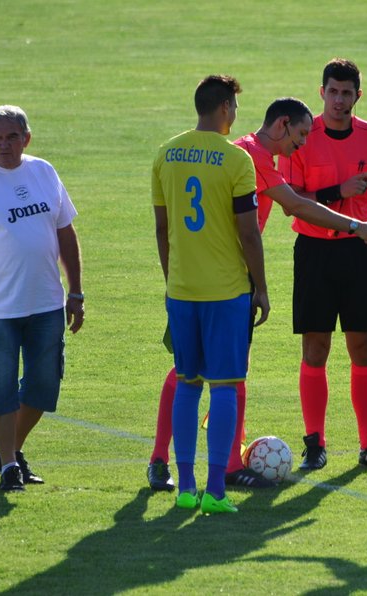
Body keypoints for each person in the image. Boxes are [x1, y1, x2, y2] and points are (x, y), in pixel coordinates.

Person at [146, 98, 367, 491]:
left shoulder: (237, 151)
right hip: (227, 280)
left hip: (190, 276)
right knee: (219, 371)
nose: (303, 143)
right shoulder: (253, 157)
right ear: (282, 125)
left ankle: (168, 460)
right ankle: (220, 464)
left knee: (194, 367)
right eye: (300, 134)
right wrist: (356, 226)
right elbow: (294, 206)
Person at [277, 58, 367, 470]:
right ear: (322, 92)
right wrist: (337, 191)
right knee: (316, 346)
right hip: (314, 251)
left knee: (362, 345)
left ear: (357, 96)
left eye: (347, 93)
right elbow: (291, 200)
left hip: (359, 251)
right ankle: (314, 443)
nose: (339, 100)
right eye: (333, 91)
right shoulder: (301, 137)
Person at [152, 75, 269, 515]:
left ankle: (186, 487)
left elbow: (162, 228)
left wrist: (173, 278)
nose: (235, 114)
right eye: (234, 106)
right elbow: (249, 233)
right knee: (224, 388)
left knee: (187, 385)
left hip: (182, 290)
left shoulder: (166, 154)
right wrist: (261, 287)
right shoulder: (236, 159)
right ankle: (216, 490)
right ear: (223, 108)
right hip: (226, 291)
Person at [0, 105, 84, 492]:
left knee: (43, 385)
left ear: (27, 138)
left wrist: (76, 291)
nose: (3, 144)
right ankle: (8, 465)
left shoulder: (44, 172)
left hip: (46, 304)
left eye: (12, 137)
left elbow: (65, 233)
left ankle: (10, 451)